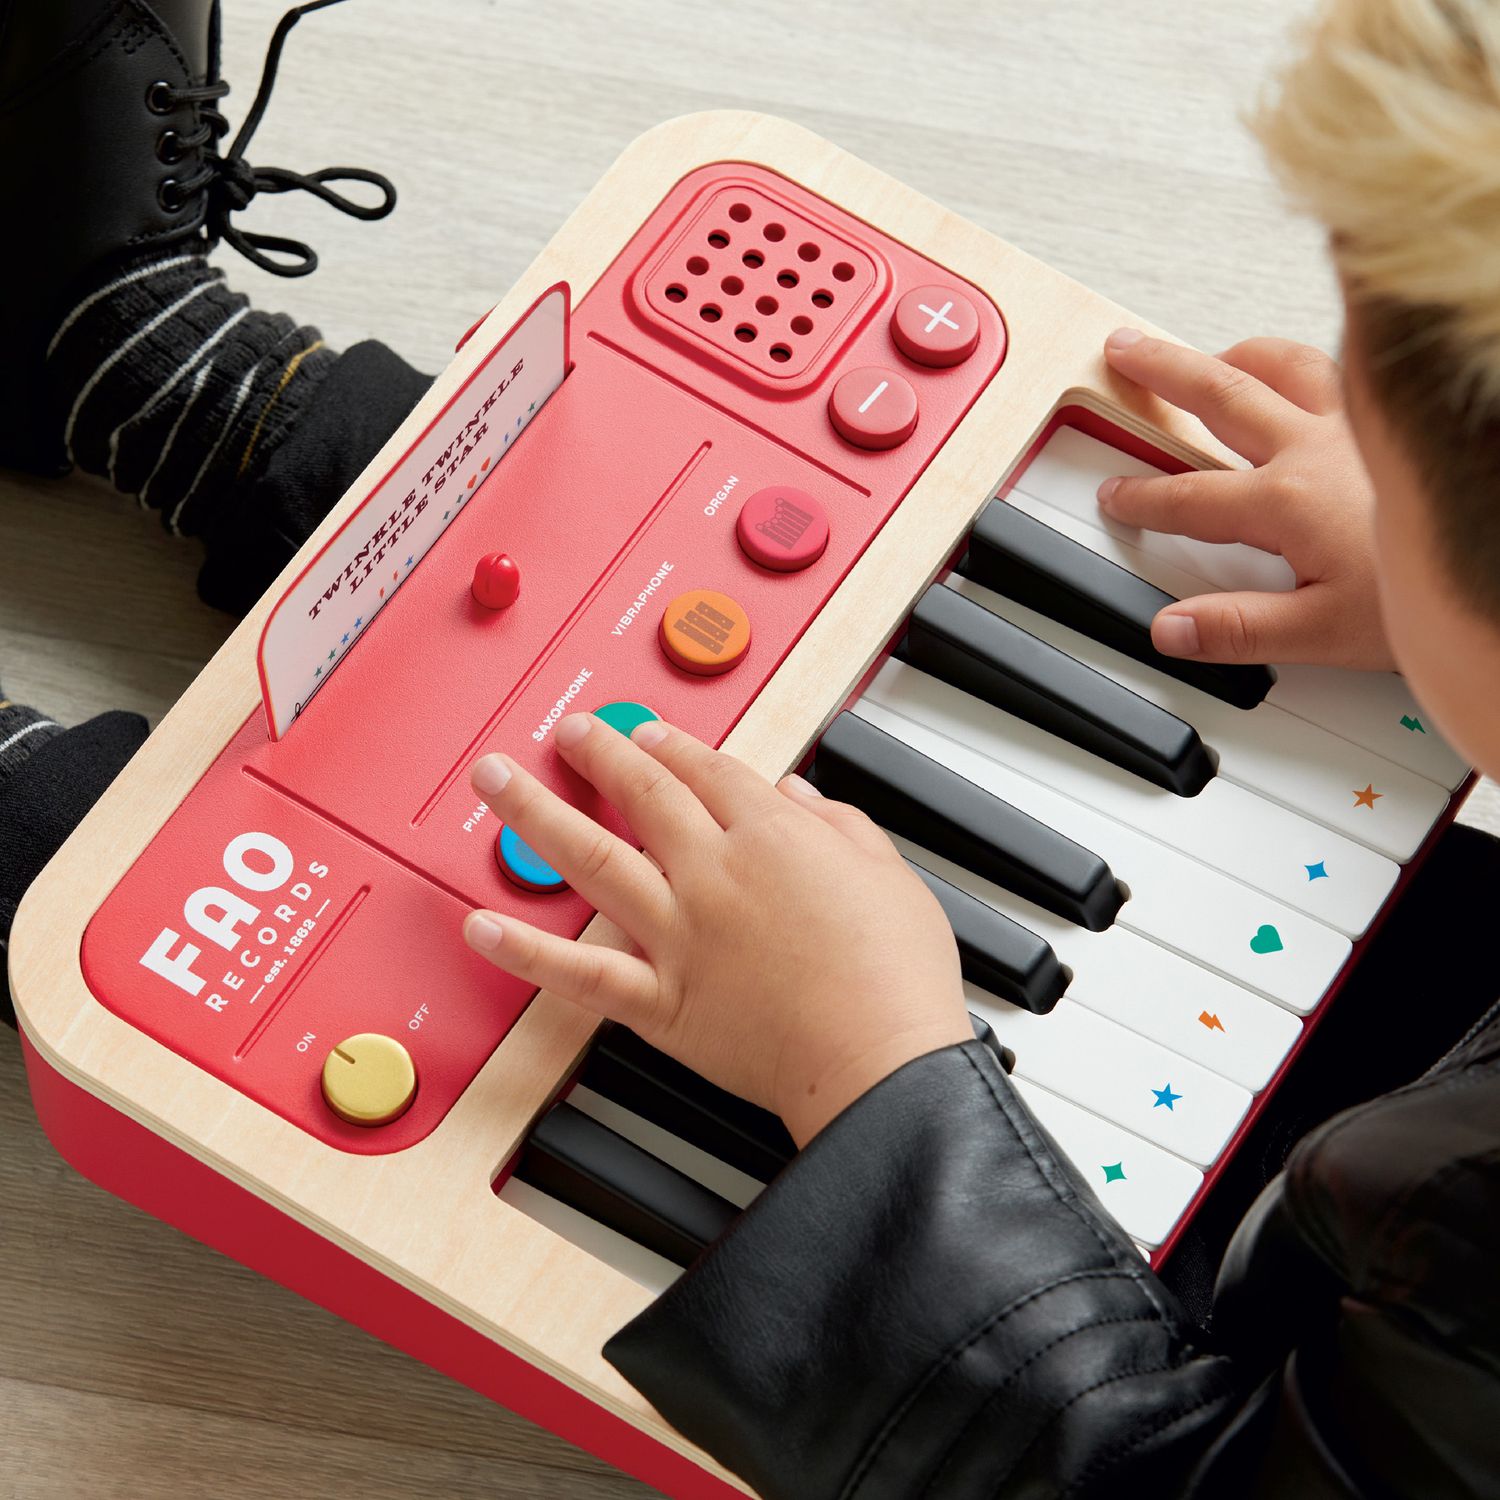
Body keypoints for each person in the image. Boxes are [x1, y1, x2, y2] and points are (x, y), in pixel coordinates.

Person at [2, 2, 1497, 1498]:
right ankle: (139, 366)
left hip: (1188, 1381)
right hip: (1422, 1113)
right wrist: (1443, 577)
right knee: (598, 557)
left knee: (210, 953)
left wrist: (870, 1072)